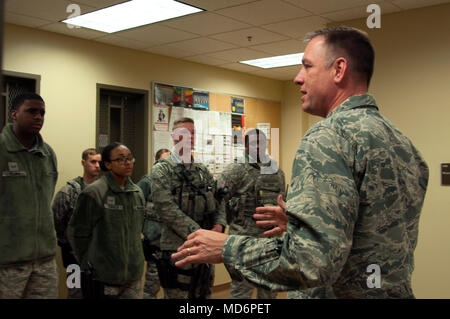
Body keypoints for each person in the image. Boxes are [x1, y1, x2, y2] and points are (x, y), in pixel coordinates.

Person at [171, 27, 429, 299]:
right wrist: (303, 225)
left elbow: (311, 263)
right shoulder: (404, 144)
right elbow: (373, 232)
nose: (297, 78)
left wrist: (227, 248)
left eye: (307, 66)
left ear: (339, 69)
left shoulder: (328, 137)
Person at [149, 117, 226, 299]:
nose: (190, 137)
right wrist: (198, 233)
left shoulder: (201, 171)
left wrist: (219, 225)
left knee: (203, 294)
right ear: (174, 136)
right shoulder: (162, 170)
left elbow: (219, 199)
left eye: (193, 133)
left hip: (204, 248)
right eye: (185, 133)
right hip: (178, 247)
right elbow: (165, 208)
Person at [68, 142, 146, 299]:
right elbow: (77, 233)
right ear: (108, 164)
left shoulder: (137, 192)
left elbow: (139, 229)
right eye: (121, 159)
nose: (128, 162)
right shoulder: (94, 192)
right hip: (104, 277)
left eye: (130, 158)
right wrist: (88, 264)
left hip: (133, 276)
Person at [0, 92, 58, 299]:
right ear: (14, 114)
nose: (38, 117)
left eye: (42, 112)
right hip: (7, 263)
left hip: (45, 262)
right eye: (31, 111)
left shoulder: (47, 154)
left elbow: (46, 197)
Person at [217, 129, 285, 299]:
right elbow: (217, 200)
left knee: (269, 291)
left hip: (270, 241)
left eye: (262, 143)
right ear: (245, 146)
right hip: (243, 241)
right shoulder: (235, 170)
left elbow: (282, 202)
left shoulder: (276, 171)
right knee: (241, 292)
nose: (258, 147)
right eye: (254, 143)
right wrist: (223, 223)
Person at [52, 148, 101, 299]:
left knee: (98, 293)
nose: (97, 166)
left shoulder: (104, 190)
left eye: (99, 162)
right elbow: (56, 222)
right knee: (75, 293)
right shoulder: (69, 191)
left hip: (99, 256)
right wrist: (69, 243)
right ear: (83, 163)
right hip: (74, 257)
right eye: (93, 162)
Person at [137, 148, 171, 299]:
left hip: (173, 246)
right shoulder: (147, 183)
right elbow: (136, 208)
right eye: (163, 161)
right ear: (156, 163)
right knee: (151, 288)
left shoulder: (176, 184)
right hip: (155, 246)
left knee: (173, 288)